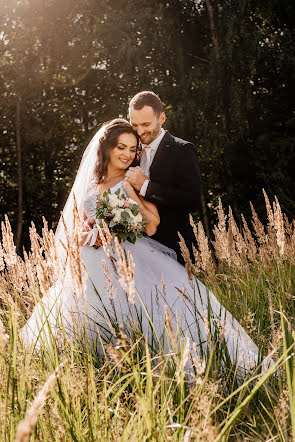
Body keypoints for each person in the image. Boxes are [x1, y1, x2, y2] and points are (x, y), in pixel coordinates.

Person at [21, 119, 268, 373]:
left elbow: (151, 225)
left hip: (127, 260)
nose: (128, 154)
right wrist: (88, 234)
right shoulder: (92, 186)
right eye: (121, 147)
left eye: (132, 149)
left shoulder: (131, 181)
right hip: (89, 264)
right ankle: (93, 371)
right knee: (87, 319)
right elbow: (76, 230)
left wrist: (125, 211)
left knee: (139, 316)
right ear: (106, 148)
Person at [126, 91, 201, 264]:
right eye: (134, 124)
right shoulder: (128, 151)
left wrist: (146, 186)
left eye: (146, 124)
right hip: (136, 249)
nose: (140, 131)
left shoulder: (182, 150)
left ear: (162, 118)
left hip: (172, 249)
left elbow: (192, 201)